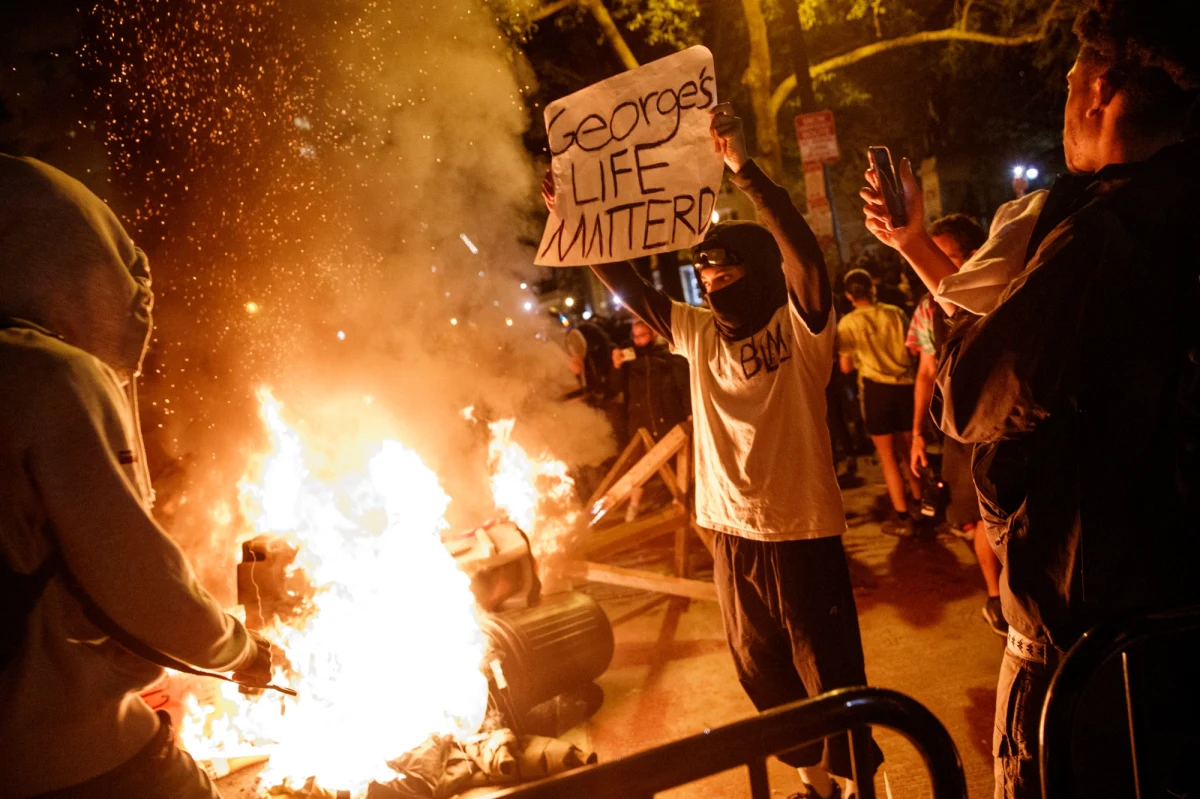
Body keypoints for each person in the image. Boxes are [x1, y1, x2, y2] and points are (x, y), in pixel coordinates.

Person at [863, 2, 1200, 795]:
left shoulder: (1097, 234)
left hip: (1091, 644)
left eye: (1069, 86)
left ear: (1102, 90)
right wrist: (915, 246)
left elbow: (979, 394)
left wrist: (945, 338)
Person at [544, 103, 880, 799]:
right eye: (703, 275)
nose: (710, 282)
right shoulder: (696, 332)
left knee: (833, 674)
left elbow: (807, 256)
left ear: (755, 270)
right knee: (761, 669)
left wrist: (743, 170)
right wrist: (577, 220)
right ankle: (815, 785)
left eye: (724, 271)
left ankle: (864, 791)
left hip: (802, 528)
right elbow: (632, 286)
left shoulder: (803, 326)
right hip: (730, 532)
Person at [0, 155, 273, 799]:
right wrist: (241, 652)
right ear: (77, 259)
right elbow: (134, 579)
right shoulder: (47, 375)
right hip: (72, 756)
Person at [903, 214, 1006, 635]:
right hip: (959, 431)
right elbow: (926, 373)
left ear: (976, 256)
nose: (932, 267)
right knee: (978, 518)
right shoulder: (929, 309)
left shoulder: (1006, 291)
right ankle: (997, 599)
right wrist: (916, 435)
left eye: (943, 256)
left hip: (1004, 419)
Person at [836, 265, 920, 536]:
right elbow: (913, 349)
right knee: (910, 453)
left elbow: (846, 367)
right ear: (872, 289)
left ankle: (903, 515)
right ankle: (921, 505)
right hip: (906, 388)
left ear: (849, 295)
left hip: (876, 392)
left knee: (888, 459)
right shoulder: (895, 314)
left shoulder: (848, 323)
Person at [611, 320, 691, 445]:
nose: (638, 340)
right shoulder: (629, 361)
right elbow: (617, 388)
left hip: (668, 419)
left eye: (642, 335)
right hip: (641, 424)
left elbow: (684, 385)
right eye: (635, 336)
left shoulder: (668, 354)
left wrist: (689, 413)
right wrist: (617, 366)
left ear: (653, 333)